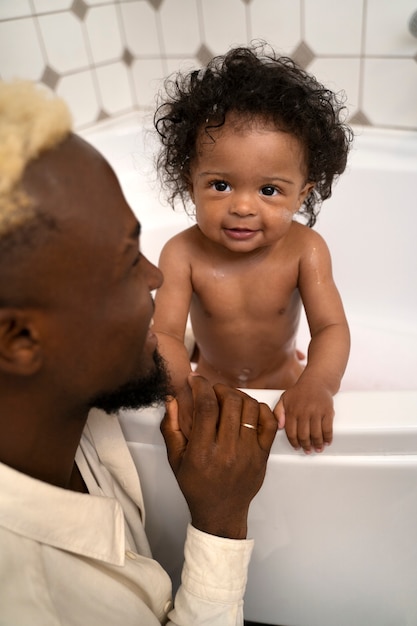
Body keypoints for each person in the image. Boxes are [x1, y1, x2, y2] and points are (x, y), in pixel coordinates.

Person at [0, 80, 278, 625]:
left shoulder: (53, 406)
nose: (156, 277)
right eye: (129, 262)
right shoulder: (34, 601)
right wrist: (219, 525)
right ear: (20, 340)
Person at [152, 42, 352, 454]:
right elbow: (165, 333)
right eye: (220, 185)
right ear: (192, 184)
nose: (242, 206)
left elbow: (331, 328)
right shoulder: (181, 254)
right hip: (209, 384)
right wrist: (184, 388)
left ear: (302, 196)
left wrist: (317, 383)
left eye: (269, 190)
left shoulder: (306, 250)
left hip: (285, 383)